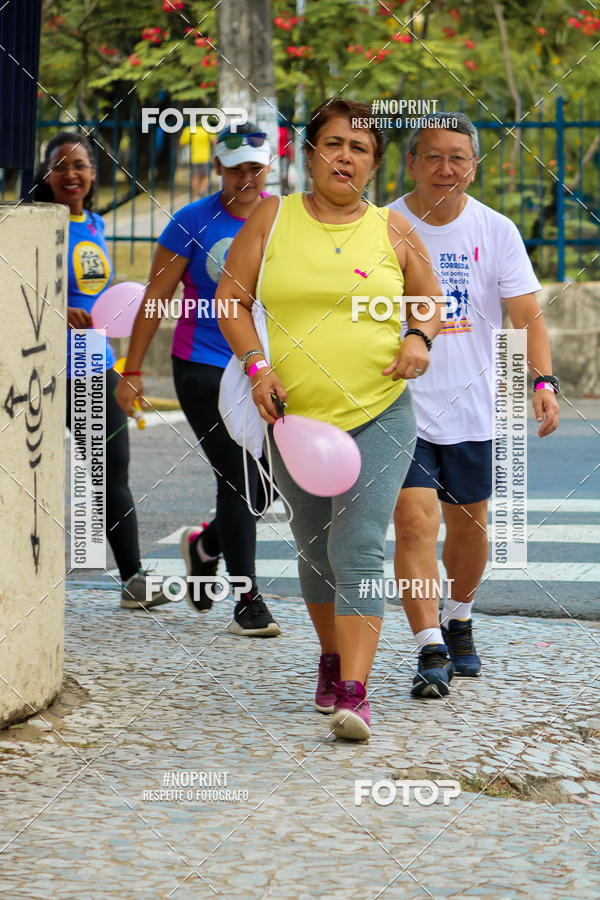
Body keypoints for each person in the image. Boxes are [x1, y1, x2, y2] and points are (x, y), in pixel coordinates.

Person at [217, 98, 443, 740]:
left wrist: (418, 338)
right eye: (334, 144)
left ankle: (355, 690)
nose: (346, 156)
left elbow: (429, 300)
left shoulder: (392, 229)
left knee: (359, 544)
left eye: (361, 148)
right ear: (311, 153)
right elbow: (231, 299)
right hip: (293, 418)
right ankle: (331, 657)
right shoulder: (272, 215)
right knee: (314, 548)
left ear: (374, 165)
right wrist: (258, 366)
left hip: (379, 410)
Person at [389, 113, 560, 698]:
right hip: (397, 405)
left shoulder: (497, 230)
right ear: (411, 162)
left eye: (457, 158)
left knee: (470, 526)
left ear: (473, 165)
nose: (446, 169)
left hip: (474, 408)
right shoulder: (383, 226)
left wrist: (543, 381)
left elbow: (527, 317)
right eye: (432, 156)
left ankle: (458, 616)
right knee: (414, 523)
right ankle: (427, 644)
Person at [116, 122, 281, 637]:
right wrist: (134, 370)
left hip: (268, 365)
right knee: (237, 475)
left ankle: (206, 545)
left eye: (256, 167)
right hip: (203, 366)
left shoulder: (286, 218)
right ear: (218, 169)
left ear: (268, 168)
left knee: (273, 480)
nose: (247, 177)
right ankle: (247, 600)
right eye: (236, 169)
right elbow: (156, 298)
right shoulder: (191, 220)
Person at [34, 131, 169, 610]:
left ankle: (133, 580)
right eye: (60, 165)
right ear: (45, 174)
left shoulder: (94, 223)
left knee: (111, 473)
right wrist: (56, 311)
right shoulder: (34, 224)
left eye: (81, 165)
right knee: (31, 477)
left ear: (93, 174)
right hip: (43, 372)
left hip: (95, 367)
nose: (71, 174)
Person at [179, 124, 213, 197]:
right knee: (205, 176)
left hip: (194, 157)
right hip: (205, 157)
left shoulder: (189, 129)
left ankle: (195, 196)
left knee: (195, 177)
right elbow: (214, 141)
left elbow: (181, 143)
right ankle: (203, 190)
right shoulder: (208, 129)